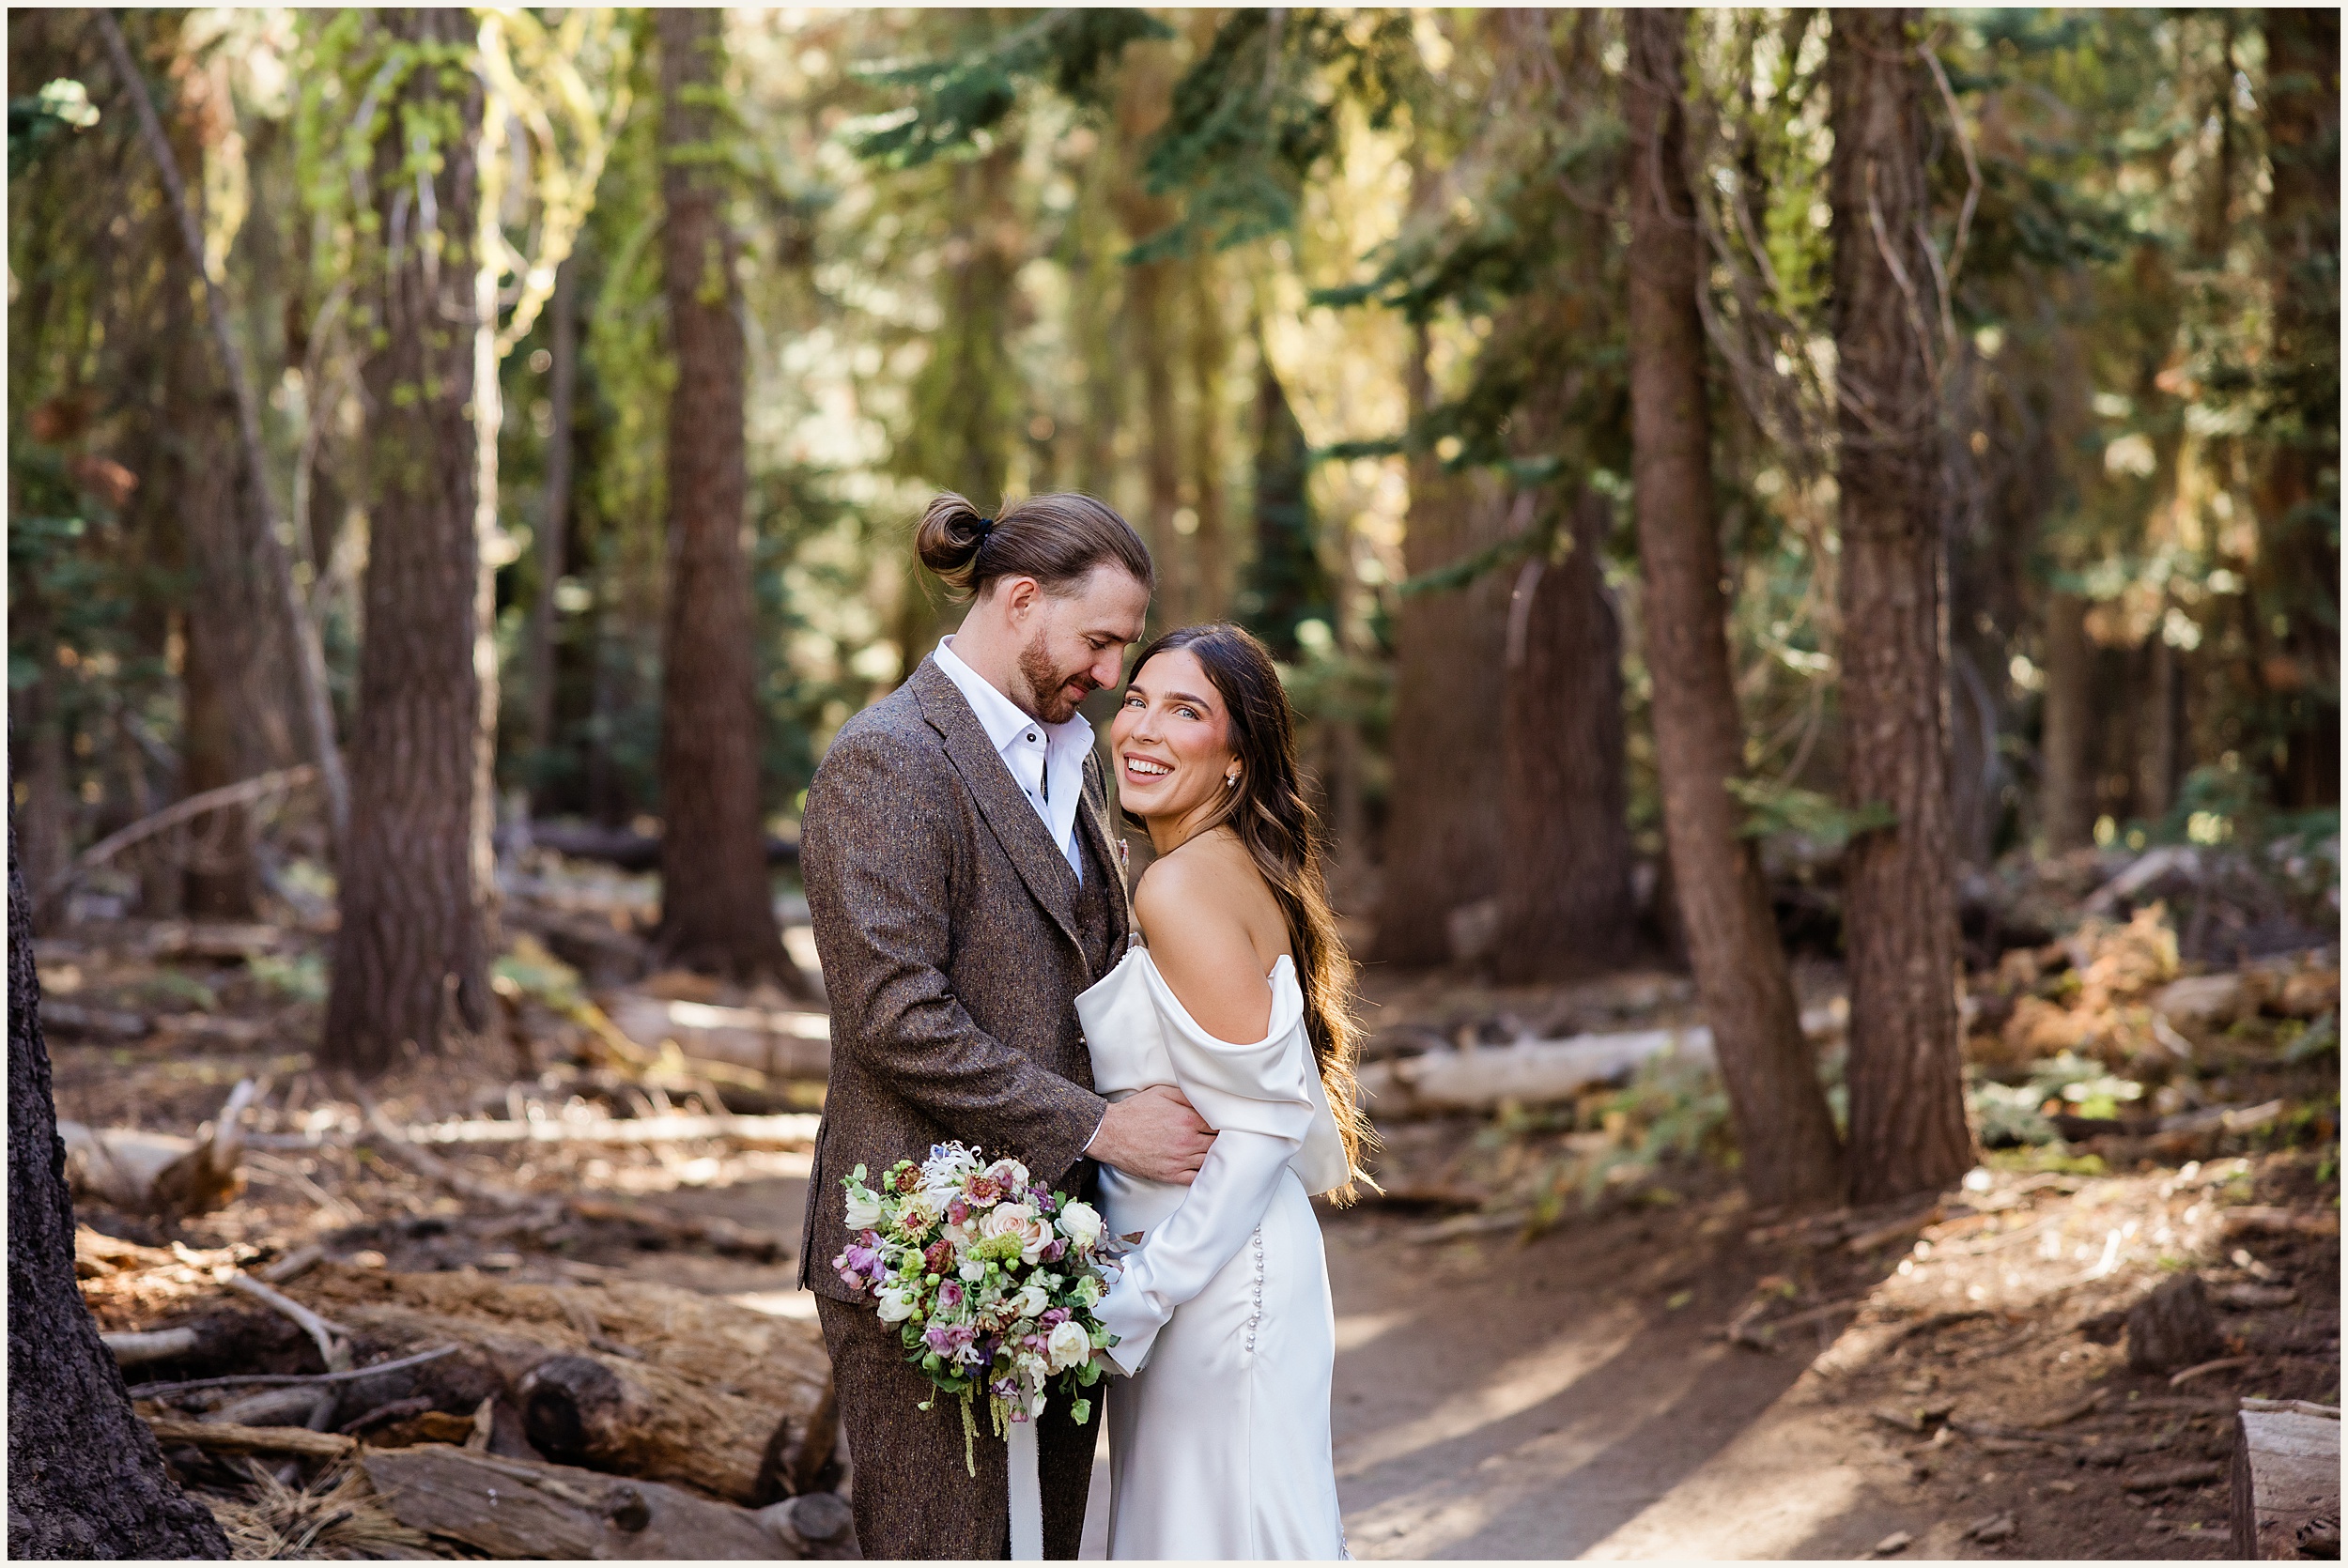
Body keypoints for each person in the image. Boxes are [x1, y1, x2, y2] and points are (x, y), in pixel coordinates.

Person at [797, 493, 1218, 1560]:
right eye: (1100, 640)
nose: (1113, 674)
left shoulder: (1067, 755)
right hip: (919, 1253)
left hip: (1058, 1253)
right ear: (1021, 599)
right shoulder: (889, 757)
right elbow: (895, 1015)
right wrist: (1099, 1127)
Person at [1077, 622, 1372, 1560]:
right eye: (1136, 700)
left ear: (1237, 756)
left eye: (1186, 710)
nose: (1144, 729)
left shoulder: (1181, 886)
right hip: (1199, 1266)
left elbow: (1263, 1122)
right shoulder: (1221, 866)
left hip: (1211, 1281)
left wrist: (1136, 1294)